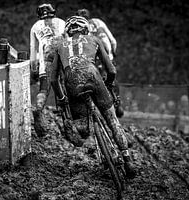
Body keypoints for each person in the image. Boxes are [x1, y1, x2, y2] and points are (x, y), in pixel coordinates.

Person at [50, 15, 136, 178]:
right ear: (85, 29)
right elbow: (111, 70)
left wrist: (62, 98)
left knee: (82, 128)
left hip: (73, 85)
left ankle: (89, 131)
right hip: (94, 78)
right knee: (112, 120)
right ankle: (127, 158)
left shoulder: (60, 46)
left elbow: (53, 79)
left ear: (68, 31)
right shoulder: (94, 39)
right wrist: (109, 85)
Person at [76, 8, 124, 118]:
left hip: (93, 57)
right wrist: (113, 52)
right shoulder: (98, 22)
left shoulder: (77, 26)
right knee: (112, 75)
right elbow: (113, 40)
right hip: (107, 53)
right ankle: (118, 102)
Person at [30, 3, 65, 134]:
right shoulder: (61, 22)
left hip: (45, 61)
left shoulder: (35, 26)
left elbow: (33, 50)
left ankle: (38, 108)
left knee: (44, 90)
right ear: (53, 12)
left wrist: (34, 69)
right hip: (63, 58)